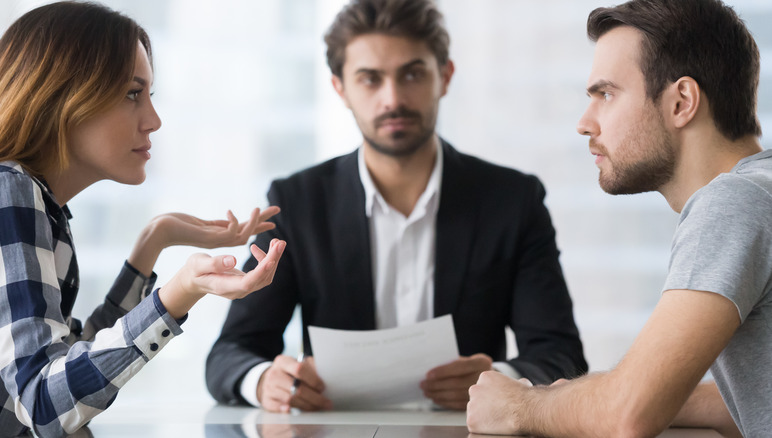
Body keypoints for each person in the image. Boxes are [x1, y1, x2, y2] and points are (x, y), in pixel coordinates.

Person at [206, 0, 586, 413]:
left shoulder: (513, 201)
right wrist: (265, 382)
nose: (393, 98)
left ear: (445, 76)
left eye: (412, 74)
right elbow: (231, 352)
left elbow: (559, 354)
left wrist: (501, 381)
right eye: (370, 79)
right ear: (340, 89)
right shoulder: (297, 204)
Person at [466, 0, 768, 437]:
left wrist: (520, 404)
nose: (584, 124)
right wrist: (594, 397)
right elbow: (748, 398)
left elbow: (628, 416)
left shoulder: (733, 202)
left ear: (681, 101)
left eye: (606, 94)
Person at [0, 2, 286, 437]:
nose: (153, 120)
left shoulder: (32, 199)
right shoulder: (8, 191)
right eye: (133, 93)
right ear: (62, 96)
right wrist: (177, 294)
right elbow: (44, 404)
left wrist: (153, 242)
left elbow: (64, 363)